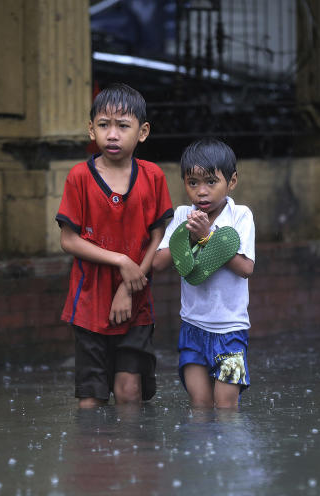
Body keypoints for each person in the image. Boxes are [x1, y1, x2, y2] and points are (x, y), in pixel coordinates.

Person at [56, 83, 174, 408]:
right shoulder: (79, 177)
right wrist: (121, 260)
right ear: (90, 128)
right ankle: (94, 459)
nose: (112, 134)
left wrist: (128, 285)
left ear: (143, 131)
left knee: (128, 392)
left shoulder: (153, 177)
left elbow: (158, 235)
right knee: (90, 399)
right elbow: (69, 239)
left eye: (123, 126)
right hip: (89, 301)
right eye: (104, 125)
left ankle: (133, 458)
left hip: (136, 300)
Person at [152, 138, 255, 409]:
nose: (201, 192)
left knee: (226, 408)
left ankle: (230, 453)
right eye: (192, 183)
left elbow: (246, 268)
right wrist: (186, 237)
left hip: (231, 331)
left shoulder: (240, 216)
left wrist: (208, 237)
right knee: (199, 406)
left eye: (211, 182)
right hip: (193, 328)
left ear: (231, 181)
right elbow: (159, 263)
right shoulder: (183, 214)